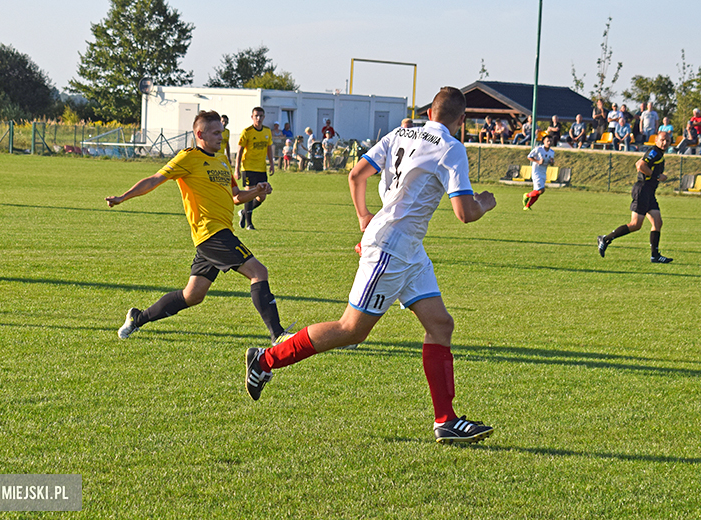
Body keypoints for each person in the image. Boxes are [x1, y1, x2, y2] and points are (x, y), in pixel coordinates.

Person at [243, 87, 498, 445]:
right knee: (351, 329)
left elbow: (356, 175)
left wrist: (365, 217)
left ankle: (446, 420)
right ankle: (266, 360)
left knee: (441, 324)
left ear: (429, 112)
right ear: (462, 119)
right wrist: (485, 202)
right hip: (392, 248)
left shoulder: (399, 134)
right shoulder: (451, 147)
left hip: (408, 249)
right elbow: (465, 213)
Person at [105, 110, 293, 345]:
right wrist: (123, 197)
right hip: (211, 233)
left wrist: (256, 191)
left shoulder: (222, 160)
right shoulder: (188, 158)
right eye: (215, 133)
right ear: (200, 134)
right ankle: (278, 336)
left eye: (222, 132)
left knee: (192, 295)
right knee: (258, 272)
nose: (221, 137)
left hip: (219, 233)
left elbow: (235, 196)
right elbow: (155, 179)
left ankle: (137, 318)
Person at [597, 131, 673, 263]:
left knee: (657, 222)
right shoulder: (654, 152)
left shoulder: (657, 153)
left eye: (667, 140)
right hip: (643, 189)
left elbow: (640, 161)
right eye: (662, 140)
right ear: (656, 140)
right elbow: (640, 165)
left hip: (649, 192)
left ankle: (655, 255)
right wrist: (657, 176)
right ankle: (605, 239)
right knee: (635, 224)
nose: (665, 143)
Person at [235, 107, 274, 230]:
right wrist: (237, 168)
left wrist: (272, 163)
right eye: (256, 116)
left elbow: (269, 148)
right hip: (248, 167)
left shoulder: (267, 131)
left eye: (261, 116)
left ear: (264, 117)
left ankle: (243, 213)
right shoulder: (247, 132)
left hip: (261, 168)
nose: (258, 118)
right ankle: (249, 224)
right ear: (252, 117)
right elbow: (240, 150)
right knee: (250, 194)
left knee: (262, 197)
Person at [523, 134, 554, 210]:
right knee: (541, 190)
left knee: (538, 192)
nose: (549, 143)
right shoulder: (538, 149)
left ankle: (527, 206)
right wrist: (538, 161)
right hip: (536, 171)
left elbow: (552, 163)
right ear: (544, 141)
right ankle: (526, 195)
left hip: (543, 172)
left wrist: (552, 162)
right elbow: (529, 157)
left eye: (550, 141)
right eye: (547, 141)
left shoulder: (552, 152)